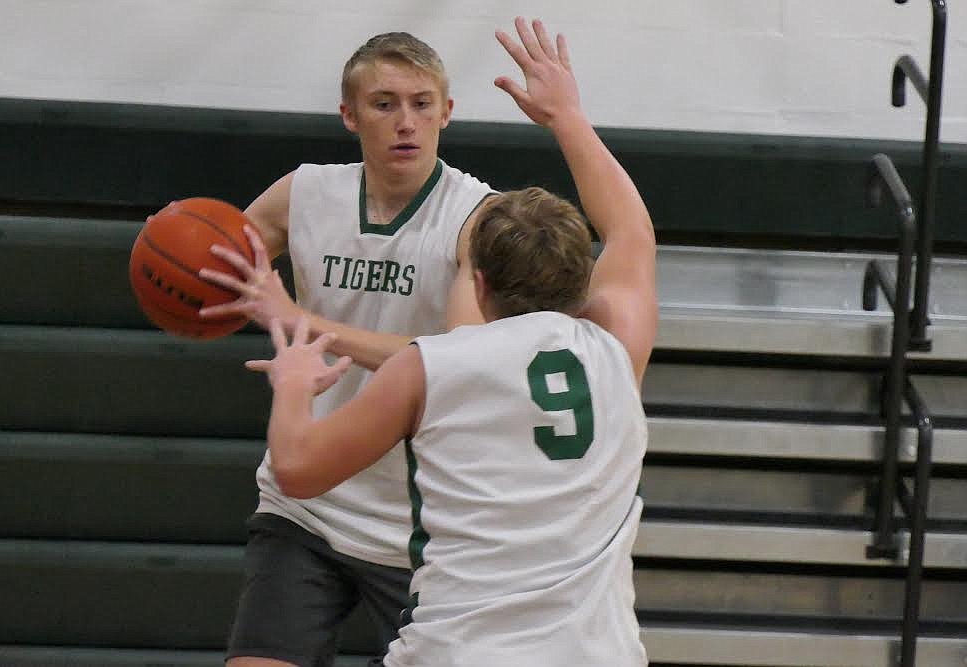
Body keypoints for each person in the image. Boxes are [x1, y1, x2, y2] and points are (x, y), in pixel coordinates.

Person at [245, 16, 657, 667]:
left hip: (462, 647)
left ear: (479, 279)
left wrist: (295, 379)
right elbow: (631, 230)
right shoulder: (616, 351)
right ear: (584, 283)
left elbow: (296, 465)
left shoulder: (441, 365)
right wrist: (567, 116)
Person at [186, 30, 496, 667]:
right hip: (305, 506)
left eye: (421, 103)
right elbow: (212, 275)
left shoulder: (475, 218)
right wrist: (180, 276)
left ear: (447, 112)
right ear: (349, 115)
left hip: (419, 524)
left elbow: (460, 363)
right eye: (384, 104)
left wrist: (301, 319)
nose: (406, 122)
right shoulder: (304, 193)